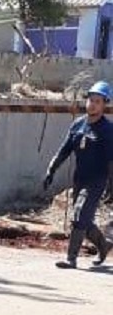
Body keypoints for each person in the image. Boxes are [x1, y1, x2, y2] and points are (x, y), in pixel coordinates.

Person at [43, 80, 113, 269]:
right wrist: (51, 169)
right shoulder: (78, 125)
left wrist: (111, 186)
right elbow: (64, 150)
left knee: (80, 214)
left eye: (98, 101)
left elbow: (111, 161)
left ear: (104, 104)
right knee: (82, 219)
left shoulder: (107, 130)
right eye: (91, 99)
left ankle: (71, 258)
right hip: (80, 179)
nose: (92, 104)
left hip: (97, 180)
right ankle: (103, 244)